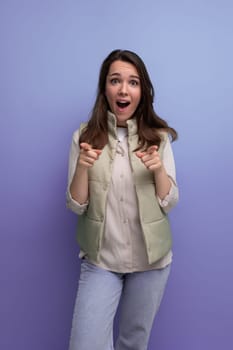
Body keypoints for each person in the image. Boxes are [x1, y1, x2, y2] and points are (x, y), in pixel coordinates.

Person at [66, 49, 178, 350]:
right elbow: (77, 206)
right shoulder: (85, 137)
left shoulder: (158, 138)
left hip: (151, 262)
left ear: (143, 91)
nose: (124, 89)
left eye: (133, 82)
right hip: (101, 259)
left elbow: (169, 202)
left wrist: (158, 171)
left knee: (133, 343)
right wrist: (82, 168)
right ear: (105, 88)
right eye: (115, 80)